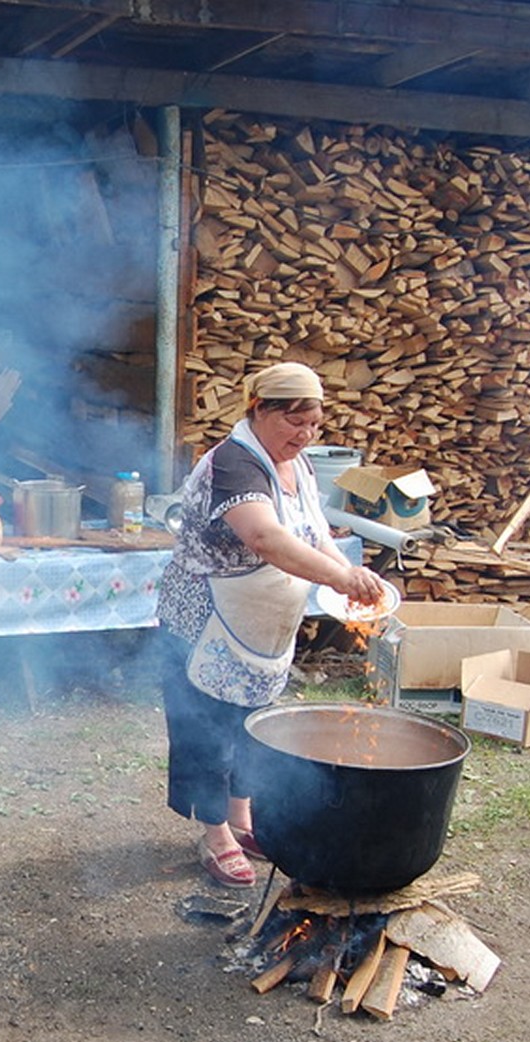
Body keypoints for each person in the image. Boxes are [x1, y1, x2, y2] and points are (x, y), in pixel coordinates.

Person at [155, 361, 385, 888]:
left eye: (314, 425)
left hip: (262, 626)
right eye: (294, 423)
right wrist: (341, 578)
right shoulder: (233, 464)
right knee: (207, 729)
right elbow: (266, 539)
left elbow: (313, 532)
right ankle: (214, 836)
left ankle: (241, 818)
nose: (305, 436)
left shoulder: (297, 465)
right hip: (206, 623)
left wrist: (346, 571)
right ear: (259, 410)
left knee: (250, 725)